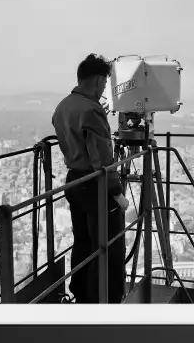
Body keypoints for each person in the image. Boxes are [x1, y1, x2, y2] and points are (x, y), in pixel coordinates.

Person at [52, 53, 130, 304]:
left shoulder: (63, 106)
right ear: (98, 80)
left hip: (74, 181)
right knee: (109, 245)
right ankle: (106, 298)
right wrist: (117, 193)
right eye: (104, 82)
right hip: (96, 187)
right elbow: (103, 161)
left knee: (83, 242)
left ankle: (82, 292)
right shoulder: (91, 110)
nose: (103, 89)